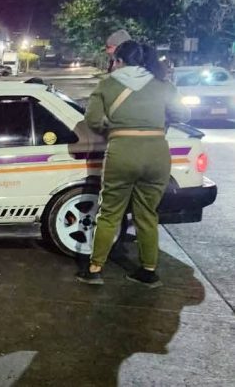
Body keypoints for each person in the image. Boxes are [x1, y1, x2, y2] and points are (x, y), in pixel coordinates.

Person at [78, 41, 190, 287]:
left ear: (118, 61)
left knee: (109, 213)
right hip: (157, 154)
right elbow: (183, 115)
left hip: (122, 152)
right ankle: (148, 271)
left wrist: (117, 127)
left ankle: (95, 269)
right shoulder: (163, 85)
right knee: (147, 214)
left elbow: (93, 119)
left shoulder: (108, 84)